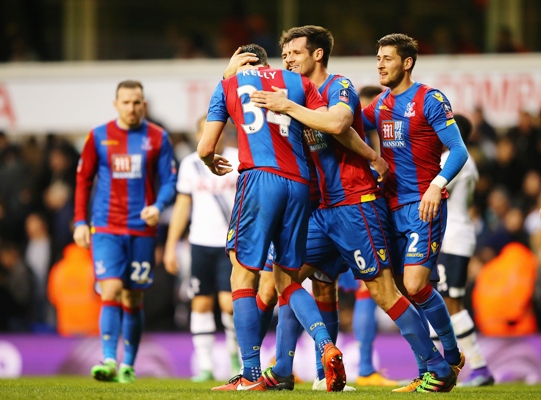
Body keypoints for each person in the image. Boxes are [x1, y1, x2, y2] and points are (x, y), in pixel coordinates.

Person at [250, 26, 460, 393]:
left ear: (317, 54)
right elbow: (346, 133)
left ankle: (440, 365)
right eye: (284, 54)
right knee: (282, 276)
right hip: (321, 209)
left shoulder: (337, 87)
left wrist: (289, 107)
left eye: (295, 53)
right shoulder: (303, 95)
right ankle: (285, 368)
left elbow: (338, 123)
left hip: (356, 204)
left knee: (386, 290)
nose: (287, 59)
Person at [198, 43, 349, 392]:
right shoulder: (298, 83)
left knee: (242, 272)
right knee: (287, 278)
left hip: (260, 179)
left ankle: (250, 373)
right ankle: (325, 345)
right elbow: (326, 125)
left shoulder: (228, 85)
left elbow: (206, 148)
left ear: (239, 63)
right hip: (300, 183)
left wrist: (209, 162)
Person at [362, 33, 469, 392]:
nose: (379, 64)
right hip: (389, 208)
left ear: (407, 62)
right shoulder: (379, 106)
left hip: (424, 204)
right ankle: (429, 370)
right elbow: (344, 127)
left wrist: (437, 185)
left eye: (387, 58)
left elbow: (458, 151)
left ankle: (452, 354)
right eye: (378, 58)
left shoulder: (430, 99)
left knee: (415, 284)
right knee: (403, 293)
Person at [73, 80, 177, 383]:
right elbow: (83, 180)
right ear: (116, 104)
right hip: (106, 226)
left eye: (137, 102)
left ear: (143, 104)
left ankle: (128, 365)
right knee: (111, 289)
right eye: (126, 102)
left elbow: (170, 181)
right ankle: (108, 359)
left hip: (142, 229)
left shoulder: (158, 137)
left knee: (133, 298)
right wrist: (80, 221)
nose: (132, 108)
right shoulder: (98, 136)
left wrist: (158, 206)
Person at [163, 114, 241, 382]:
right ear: (199, 136)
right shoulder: (190, 164)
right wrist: (171, 245)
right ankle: (205, 365)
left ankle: (236, 358)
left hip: (230, 244)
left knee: (229, 304)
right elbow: (182, 206)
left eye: (215, 131)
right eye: (204, 132)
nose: (210, 136)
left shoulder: (238, 159)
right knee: (201, 303)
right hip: (199, 242)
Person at [433, 114, 494, 387]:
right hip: (458, 236)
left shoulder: (454, 160)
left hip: (452, 239)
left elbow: (433, 189)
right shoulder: (471, 162)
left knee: (449, 304)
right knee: (444, 301)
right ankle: (442, 368)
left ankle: (477, 366)